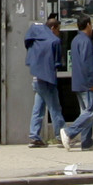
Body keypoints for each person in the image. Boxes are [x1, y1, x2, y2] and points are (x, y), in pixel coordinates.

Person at [61, 15, 93, 151]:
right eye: (91, 25)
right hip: (87, 84)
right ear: (88, 25)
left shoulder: (75, 40)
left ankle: (87, 142)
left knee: (85, 112)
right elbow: (88, 63)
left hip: (79, 82)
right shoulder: (85, 41)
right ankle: (69, 132)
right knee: (91, 111)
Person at [24, 14, 64, 148]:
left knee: (38, 108)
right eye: (58, 29)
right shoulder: (54, 41)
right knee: (55, 107)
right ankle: (62, 135)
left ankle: (34, 136)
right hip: (47, 79)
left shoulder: (36, 39)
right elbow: (57, 62)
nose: (58, 33)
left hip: (36, 77)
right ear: (53, 28)